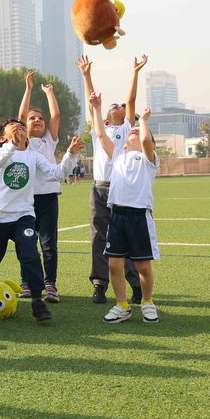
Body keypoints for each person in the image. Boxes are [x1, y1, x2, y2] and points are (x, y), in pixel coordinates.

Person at [0, 118, 82, 323]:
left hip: (24, 215)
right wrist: (13, 144)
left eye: (20, 125)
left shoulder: (34, 157)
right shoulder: (2, 153)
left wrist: (71, 154)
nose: (19, 126)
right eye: (12, 125)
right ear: (2, 138)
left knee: (30, 254)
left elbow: (57, 173)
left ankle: (37, 300)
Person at [79, 54, 144, 304]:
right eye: (113, 105)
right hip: (100, 188)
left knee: (124, 237)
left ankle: (136, 285)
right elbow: (93, 102)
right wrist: (87, 76)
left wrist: (135, 72)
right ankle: (99, 284)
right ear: (105, 119)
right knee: (99, 236)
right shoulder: (101, 132)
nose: (118, 105)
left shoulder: (128, 128)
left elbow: (131, 100)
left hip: (121, 189)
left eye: (121, 106)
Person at [91, 96, 162, 324]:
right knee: (114, 264)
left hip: (139, 216)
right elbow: (101, 134)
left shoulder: (148, 160)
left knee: (143, 265)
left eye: (138, 132)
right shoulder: (119, 156)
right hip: (118, 216)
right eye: (132, 131)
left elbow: (146, 142)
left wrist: (145, 123)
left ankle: (148, 302)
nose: (134, 132)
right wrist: (97, 107)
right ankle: (122, 304)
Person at [17, 69, 64, 302]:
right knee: (27, 242)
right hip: (26, 199)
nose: (37, 120)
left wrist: (49, 93)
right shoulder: (22, 141)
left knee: (48, 244)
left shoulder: (48, 140)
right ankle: (26, 282)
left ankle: (50, 284)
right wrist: (28, 88)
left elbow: (56, 116)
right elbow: (20, 115)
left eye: (40, 118)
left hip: (47, 199)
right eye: (32, 118)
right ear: (24, 125)